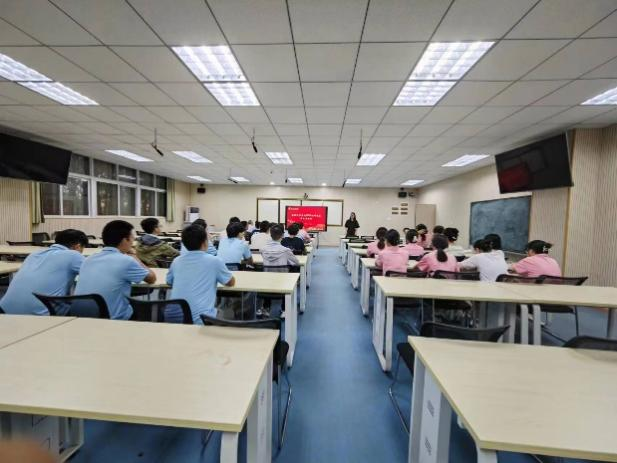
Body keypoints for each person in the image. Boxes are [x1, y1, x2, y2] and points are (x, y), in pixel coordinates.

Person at [75, 220, 155, 320]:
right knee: (144, 310)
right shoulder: (126, 261)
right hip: (112, 319)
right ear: (125, 240)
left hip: (81, 317)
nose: (132, 243)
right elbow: (152, 278)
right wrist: (135, 257)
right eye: (132, 239)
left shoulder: (88, 259)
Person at [0, 229, 88, 315]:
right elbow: (92, 272)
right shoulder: (73, 255)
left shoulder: (34, 254)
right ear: (78, 246)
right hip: (38, 316)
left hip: (4, 311)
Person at [166, 224, 235, 324]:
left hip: (172, 317)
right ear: (205, 242)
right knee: (225, 314)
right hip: (201, 319)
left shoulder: (176, 261)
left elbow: (169, 282)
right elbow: (230, 282)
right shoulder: (214, 261)